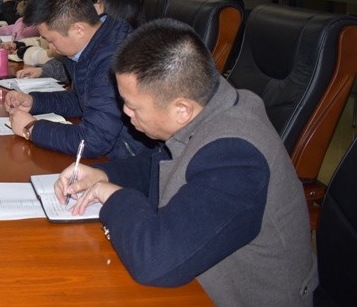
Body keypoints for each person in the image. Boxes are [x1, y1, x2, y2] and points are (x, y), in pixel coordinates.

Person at [54, 19, 316, 306]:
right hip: (201, 281)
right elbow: (162, 164)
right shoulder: (208, 103)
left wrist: (114, 197)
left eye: (132, 105)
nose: (125, 112)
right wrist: (102, 175)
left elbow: (156, 261)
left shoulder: (235, 159)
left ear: (181, 109)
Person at [4, 0, 153, 159]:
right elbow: (82, 100)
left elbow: (93, 141)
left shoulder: (114, 60)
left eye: (50, 40)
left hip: (131, 160)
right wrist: (34, 102)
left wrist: (32, 128)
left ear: (78, 30)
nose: (50, 47)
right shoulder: (95, 41)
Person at [17, 0, 141, 80]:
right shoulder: (87, 41)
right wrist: (42, 72)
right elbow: (72, 67)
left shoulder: (112, 55)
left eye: (99, 3)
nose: (93, 6)